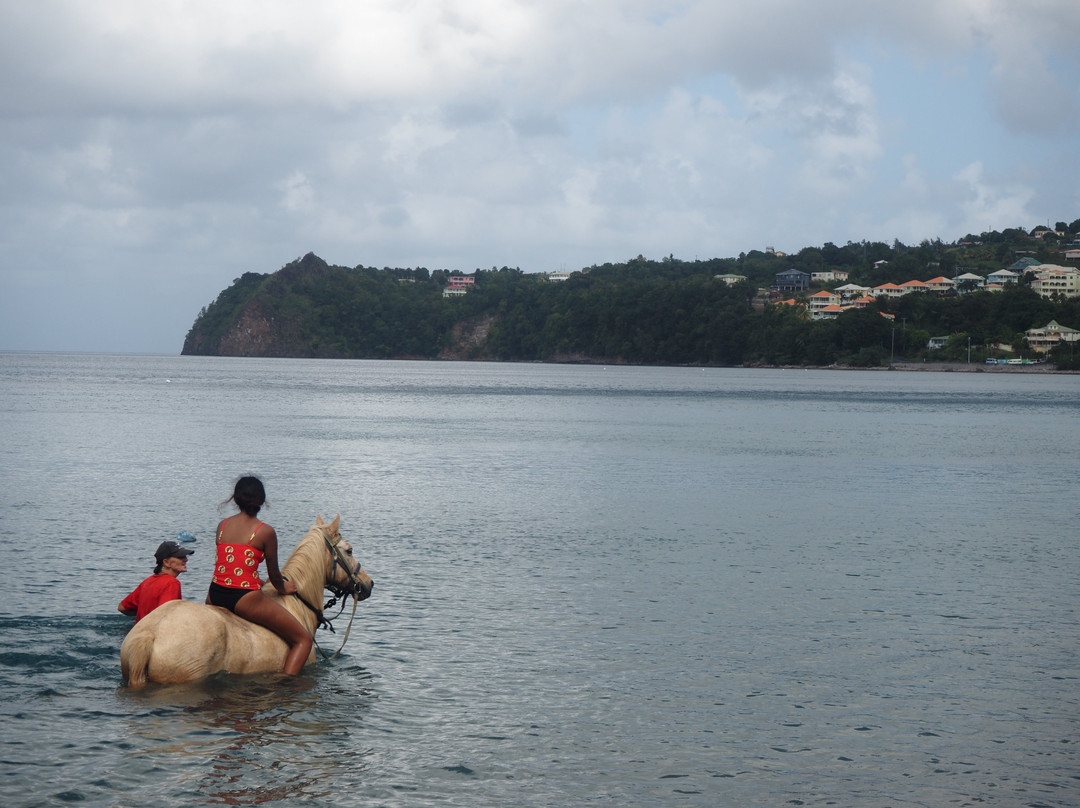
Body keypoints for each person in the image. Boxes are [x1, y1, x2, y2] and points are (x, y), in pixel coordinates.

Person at [206, 476, 313, 675]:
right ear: (262, 501)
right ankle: (286, 687)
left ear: (235, 499)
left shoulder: (222, 526)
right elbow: (274, 576)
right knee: (303, 639)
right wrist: (284, 588)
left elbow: (231, 564)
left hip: (215, 593)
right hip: (244, 598)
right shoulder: (265, 532)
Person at [118, 541, 193, 622]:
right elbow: (167, 616)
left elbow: (122, 607)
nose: (186, 559)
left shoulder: (148, 582)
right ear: (166, 562)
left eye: (185, 556)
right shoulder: (172, 583)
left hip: (141, 632)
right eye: (180, 557)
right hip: (156, 633)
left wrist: (144, 615)